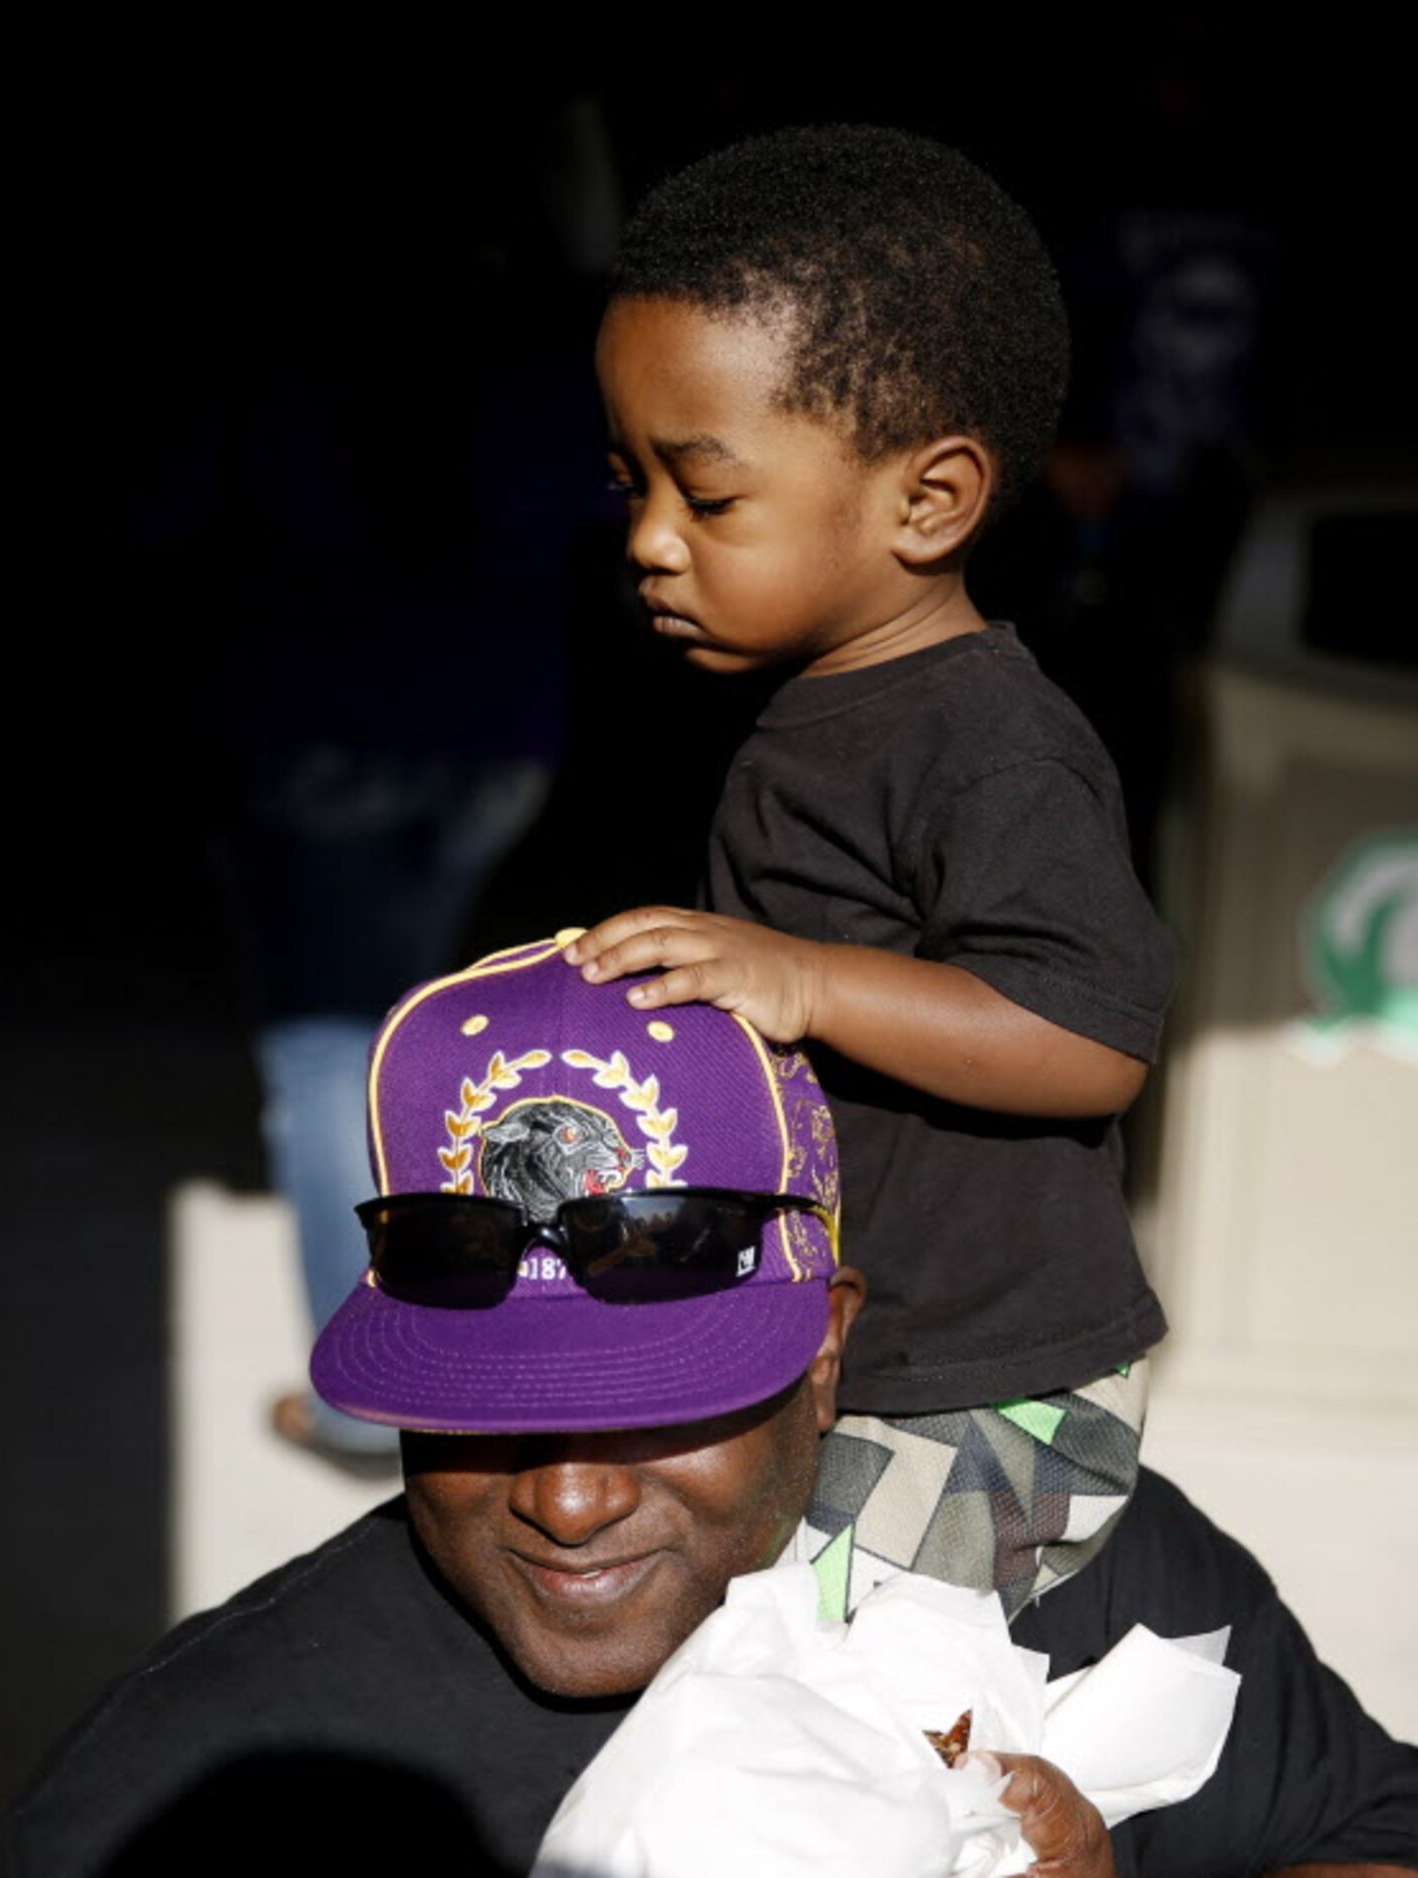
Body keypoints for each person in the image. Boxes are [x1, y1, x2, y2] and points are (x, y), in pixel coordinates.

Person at [10, 938, 1418, 1878]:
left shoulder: (1030, 1537)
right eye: (476, 1412)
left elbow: (1394, 1837)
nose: (566, 1501)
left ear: (830, 1348)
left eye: (659, 1403)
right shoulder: (197, 1800)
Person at [564, 126, 1175, 1621]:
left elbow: (1091, 1037)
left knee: (830, 1723)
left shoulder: (986, 742)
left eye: (705, 498)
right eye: (627, 482)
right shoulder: (813, 702)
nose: (647, 540)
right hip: (861, 1354)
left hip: (989, 1399)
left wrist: (803, 980)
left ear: (927, 501)